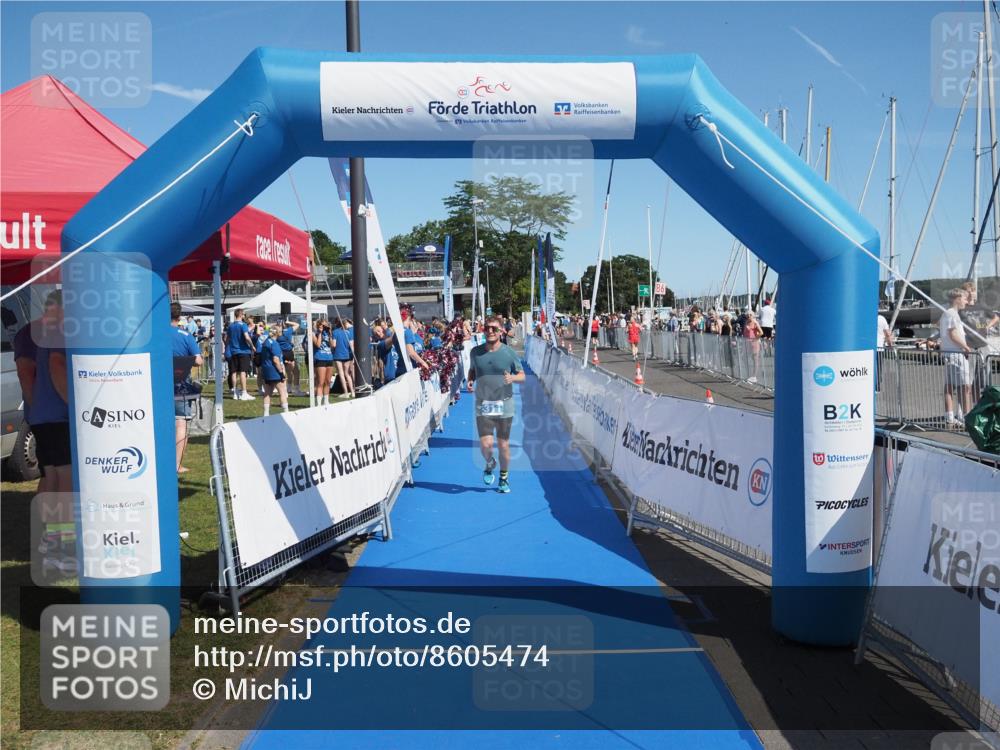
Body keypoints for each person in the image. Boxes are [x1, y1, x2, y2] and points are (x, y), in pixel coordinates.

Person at [467, 316, 526, 493]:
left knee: (503, 445)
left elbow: (522, 376)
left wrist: (513, 377)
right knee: (485, 446)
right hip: (483, 404)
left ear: (501, 331)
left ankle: (503, 478)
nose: (490, 331)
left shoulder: (509, 353)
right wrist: (470, 381)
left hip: (504, 404)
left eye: (494, 328)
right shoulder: (475, 352)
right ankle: (490, 463)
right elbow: (473, 370)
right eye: (487, 328)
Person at [171, 303, 203, 473]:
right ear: (180, 317)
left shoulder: (156, 334)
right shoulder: (185, 335)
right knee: (180, 424)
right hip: (180, 385)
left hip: (157, 385)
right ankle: (176, 464)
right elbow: (198, 361)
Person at [939, 288, 974, 428]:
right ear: (957, 299)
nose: (966, 301)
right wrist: (966, 347)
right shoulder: (952, 314)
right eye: (965, 298)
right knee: (964, 387)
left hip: (949, 353)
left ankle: (950, 417)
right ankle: (966, 418)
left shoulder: (947, 314)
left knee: (950, 386)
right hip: (956, 353)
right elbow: (953, 334)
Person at [225, 309, 255, 401]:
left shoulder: (231, 326)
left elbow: (227, 339)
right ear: (241, 315)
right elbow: (246, 337)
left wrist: (228, 347)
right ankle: (244, 393)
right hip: (243, 351)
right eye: (244, 315)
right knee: (243, 372)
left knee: (234, 372)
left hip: (233, 351)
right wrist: (252, 346)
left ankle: (235, 392)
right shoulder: (243, 325)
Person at [259, 324, 289, 416]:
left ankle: (266, 414)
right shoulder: (275, 344)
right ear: (277, 333)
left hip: (266, 370)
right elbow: (276, 360)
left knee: (267, 393)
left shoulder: (265, 342)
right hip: (274, 371)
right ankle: (286, 412)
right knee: (282, 391)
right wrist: (281, 373)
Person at [313, 319, 335, 404]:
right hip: (320, 358)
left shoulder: (327, 333)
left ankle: (326, 400)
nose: (324, 327)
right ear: (319, 325)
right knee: (320, 382)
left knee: (328, 381)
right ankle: (318, 402)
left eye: (325, 325)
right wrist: (320, 333)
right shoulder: (315, 334)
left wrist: (329, 333)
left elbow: (332, 345)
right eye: (322, 325)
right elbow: (318, 345)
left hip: (329, 358)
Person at [278, 319, 302, 396]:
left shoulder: (277, 333)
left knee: (285, 372)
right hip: (288, 353)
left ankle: (286, 390)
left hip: (280, 353)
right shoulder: (288, 330)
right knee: (296, 371)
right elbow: (297, 324)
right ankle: (296, 390)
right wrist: (288, 322)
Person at [332, 317, 355, 397]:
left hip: (338, 355)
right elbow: (351, 345)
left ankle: (346, 393)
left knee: (341, 374)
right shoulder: (348, 333)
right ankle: (352, 392)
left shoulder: (335, 332)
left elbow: (334, 345)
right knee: (347, 374)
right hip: (347, 355)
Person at [742, 310, 764, 384]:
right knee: (744, 357)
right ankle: (749, 373)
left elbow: (761, 332)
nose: (748, 316)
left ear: (753, 315)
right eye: (747, 315)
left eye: (750, 315)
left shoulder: (755, 322)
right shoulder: (746, 322)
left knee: (755, 359)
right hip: (747, 343)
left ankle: (754, 376)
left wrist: (755, 338)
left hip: (754, 343)